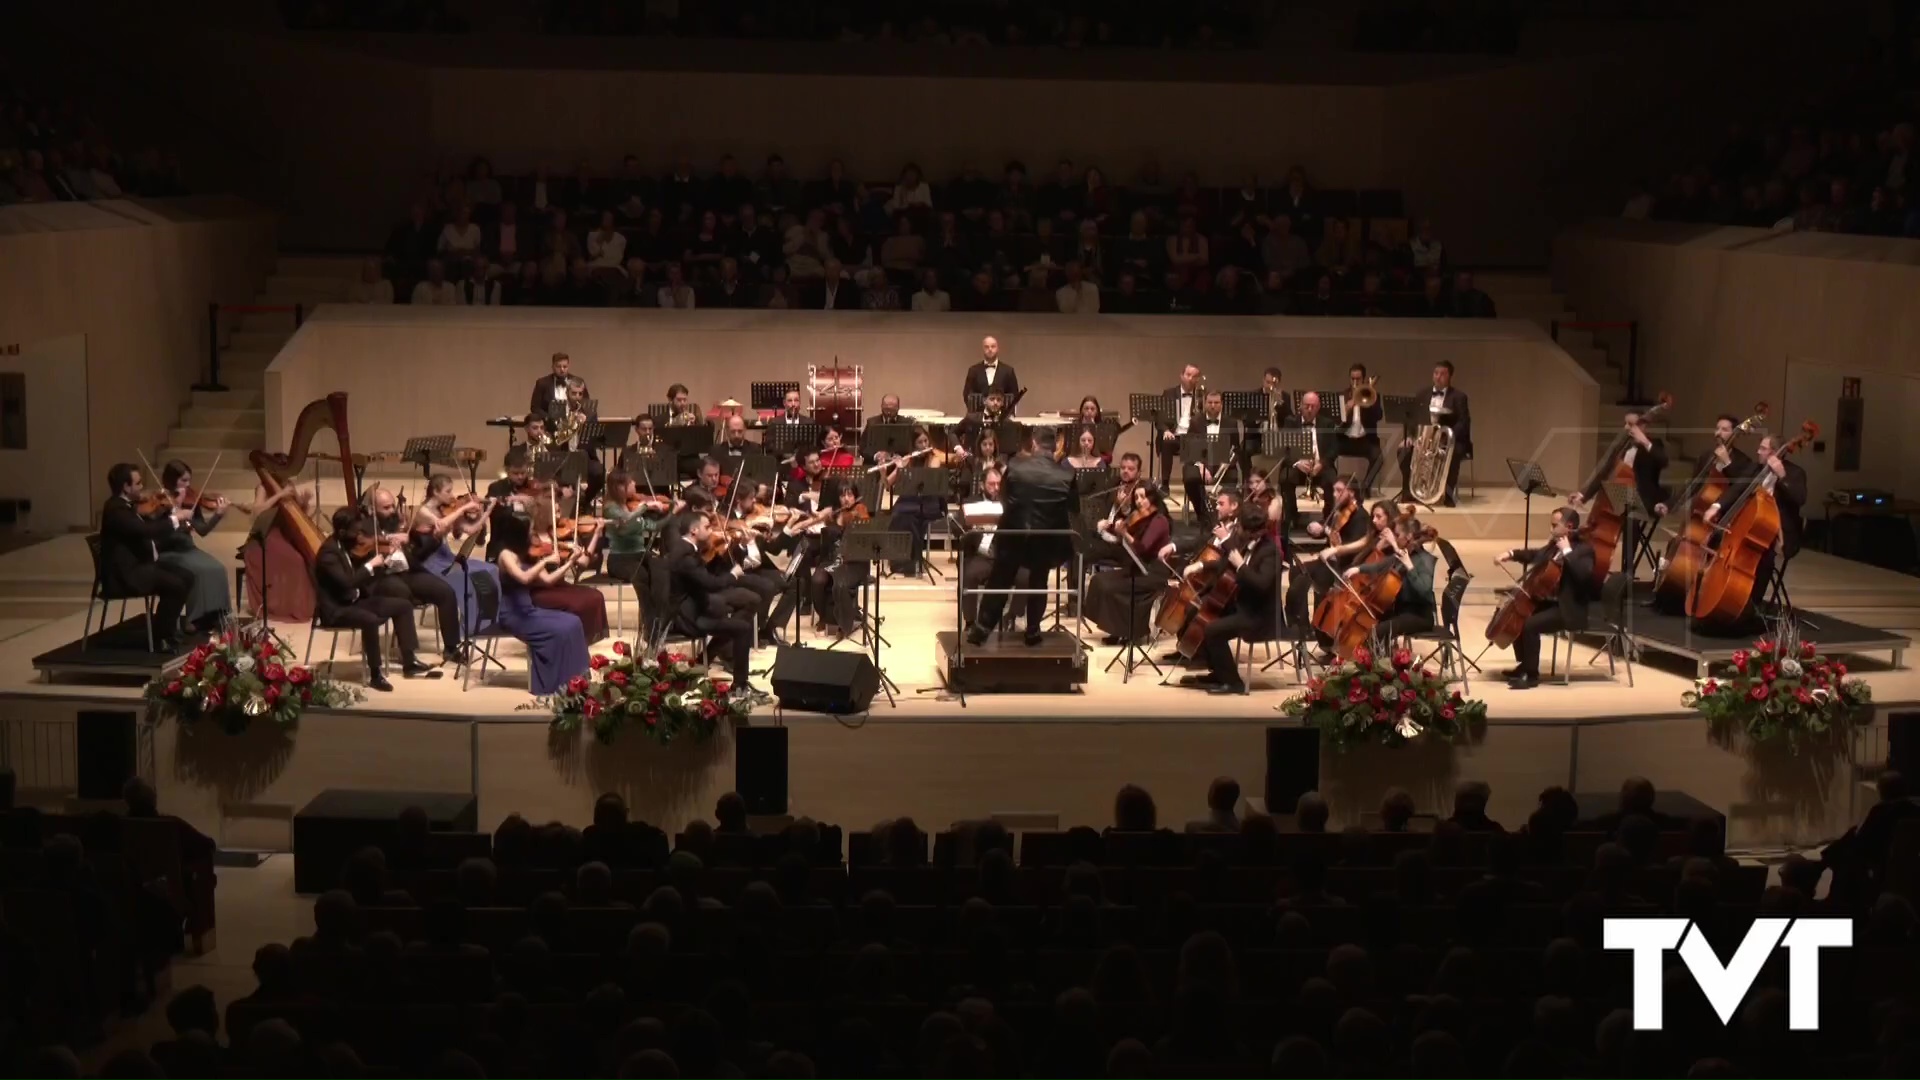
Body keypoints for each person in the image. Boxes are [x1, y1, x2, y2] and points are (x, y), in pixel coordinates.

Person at [966, 427, 1079, 647]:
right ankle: (1033, 631)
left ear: (1034, 445)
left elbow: (1005, 499)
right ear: (1055, 447)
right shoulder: (1067, 474)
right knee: (1039, 581)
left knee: (1000, 580)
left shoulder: (1016, 466)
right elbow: (1072, 509)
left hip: (1013, 537)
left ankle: (980, 631)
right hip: (1047, 541)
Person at [313, 509, 444, 690]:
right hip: (337, 609)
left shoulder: (348, 547)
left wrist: (385, 560)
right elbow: (348, 583)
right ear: (342, 532)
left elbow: (363, 573)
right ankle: (375, 674)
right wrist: (370, 565)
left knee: (404, 605)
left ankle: (409, 661)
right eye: (355, 531)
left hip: (356, 601)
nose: (359, 536)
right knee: (370, 619)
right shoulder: (328, 554)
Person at [668, 513, 773, 703]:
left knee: (742, 612)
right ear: (694, 530)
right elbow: (710, 583)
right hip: (689, 616)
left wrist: (736, 547)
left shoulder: (686, 548)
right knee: (742, 628)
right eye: (707, 527)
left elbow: (706, 574)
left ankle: (738, 681)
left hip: (696, 605)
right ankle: (740, 686)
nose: (711, 531)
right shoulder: (684, 556)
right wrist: (733, 575)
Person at [489, 502, 592, 696]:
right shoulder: (506, 555)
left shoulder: (526, 553)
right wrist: (545, 561)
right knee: (560, 630)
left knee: (574, 622)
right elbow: (524, 578)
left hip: (529, 610)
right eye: (529, 530)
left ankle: (577, 682)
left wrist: (569, 561)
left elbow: (548, 580)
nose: (532, 533)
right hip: (513, 615)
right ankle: (556, 684)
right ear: (517, 533)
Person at [1702, 432, 1807, 618]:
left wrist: (1782, 476)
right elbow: (1737, 488)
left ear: (1775, 453)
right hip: (1749, 525)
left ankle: (1752, 604)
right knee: (1717, 538)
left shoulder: (1795, 473)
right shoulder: (1755, 468)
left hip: (1778, 532)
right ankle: (1716, 591)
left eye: (1763, 449)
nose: (1758, 451)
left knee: (1763, 556)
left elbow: (1800, 498)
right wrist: (1716, 506)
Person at [1184, 502, 1282, 695]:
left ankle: (1233, 682)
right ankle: (1219, 672)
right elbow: (1224, 563)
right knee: (1198, 611)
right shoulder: (1246, 544)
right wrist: (1202, 566)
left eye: (1239, 526)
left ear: (1248, 529)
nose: (1236, 529)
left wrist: (1241, 566)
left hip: (1259, 615)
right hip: (1242, 605)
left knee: (1213, 629)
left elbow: (1261, 585)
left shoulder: (1270, 552)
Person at [1495, 507, 1597, 690]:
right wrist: (1511, 554)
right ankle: (1525, 665)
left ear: (1569, 526)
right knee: (1520, 614)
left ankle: (1532, 675)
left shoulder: (1584, 550)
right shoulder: (1554, 545)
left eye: (1554, 525)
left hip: (1569, 608)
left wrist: (1567, 553)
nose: (1550, 529)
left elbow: (1583, 576)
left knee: (1530, 625)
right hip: (1551, 602)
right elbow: (1536, 555)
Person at [98, 463, 196, 651]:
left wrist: (168, 513)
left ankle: (165, 629)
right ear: (126, 487)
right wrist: (177, 518)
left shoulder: (128, 507)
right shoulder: (115, 510)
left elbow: (150, 526)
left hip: (141, 566)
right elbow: (144, 531)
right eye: (138, 483)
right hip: (125, 575)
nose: (142, 487)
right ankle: (161, 637)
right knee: (175, 585)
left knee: (187, 576)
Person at [1285, 481, 1382, 658]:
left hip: (1345, 565)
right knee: (1296, 571)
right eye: (1334, 490)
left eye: (1339, 490)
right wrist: (1317, 529)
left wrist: (1333, 542)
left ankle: (1322, 628)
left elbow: (1357, 546)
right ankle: (1302, 625)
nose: (1335, 494)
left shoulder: (1360, 516)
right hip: (1330, 561)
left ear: (1351, 492)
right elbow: (1328, 529)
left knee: (1318, 579)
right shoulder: (1339, 511)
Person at [1568, 408, 1670, 575]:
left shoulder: (1654, 445)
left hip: (1643, 499)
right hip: (1619, 496)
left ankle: (1628, 571)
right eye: (1626, 424)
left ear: (1643, 426)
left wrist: (1644, 441)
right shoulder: (1622, 446)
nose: (1627, 428)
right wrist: (1584, 495)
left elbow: (1663, 461)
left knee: (1632, 517)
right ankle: (1590, 564)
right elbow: (1604, 472)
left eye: (1631, 424)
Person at [412, 475, 501, 642]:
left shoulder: (447, 509)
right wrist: (463, 508)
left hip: (447, 556)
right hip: (430, 561)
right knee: (466, 578)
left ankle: (488, 621)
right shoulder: (423, 511)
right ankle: (467, 626)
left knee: (492, 569)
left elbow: (471, 529)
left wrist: (487, 512)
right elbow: (441, 524)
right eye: (448, 491)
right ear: (436, 492)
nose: (452, 495)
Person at [1084, 484, 1172, 645]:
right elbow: (1124, 535)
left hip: (1152, 573)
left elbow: (1143, 548)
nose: (1139, 501)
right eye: (1136, 497)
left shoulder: (1160, 521)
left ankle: (1129, 631)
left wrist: (1124, 533)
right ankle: (1116, 629)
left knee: (1111, 587)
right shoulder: (1140, 518)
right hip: (1138, 568)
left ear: (1152, 498)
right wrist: (1110, 528)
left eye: (1143, 497)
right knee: (1099, 581)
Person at [155, 460, 236, 632]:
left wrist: (218, 514)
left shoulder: (191, 501)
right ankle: (193, 618)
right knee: (198, 571)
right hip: (169, 552)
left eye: (189, 480)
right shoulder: (159, 503)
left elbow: (203, 530)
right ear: (171, 480)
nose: (188, 485)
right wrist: (175, 514)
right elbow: (157, 535)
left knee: (218, 568)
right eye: (183, 481)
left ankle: (215, 615)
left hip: (189, 549)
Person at [1344, 515, 1439, 639]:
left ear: (1408, 537)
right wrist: (1358, 569)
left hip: (1419, 616)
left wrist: (1410, 567)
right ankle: (1376, 656)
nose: (1394, 538)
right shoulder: (1402, 553)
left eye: (1397, 535)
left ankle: (1377, 657)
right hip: (1400, 610)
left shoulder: (1425, 559)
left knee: (1380, 631)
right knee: (1367, 622)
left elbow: (1425, 590)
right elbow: (1379, 567)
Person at [1396, 360, 1473, 506]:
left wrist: (1444, 437)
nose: (1438, 377)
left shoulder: (1459, 397)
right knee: (1404, 451)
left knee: (1453, 453)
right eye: (1436, 373)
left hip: (1446, 441)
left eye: (1442, 374)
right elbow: (1412, 418)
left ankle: (1448, 496)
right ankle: (1408, 492)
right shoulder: (1422, 394)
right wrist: (1411, 437)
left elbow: (1464, 423)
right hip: (1423, 438)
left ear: (1450, 377)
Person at [523, 515, 610, 644]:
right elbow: (547, 580)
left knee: (596, 596)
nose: (559, 515)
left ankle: (582, 643)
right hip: (541, 592)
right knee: (576, 604)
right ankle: (571, 642)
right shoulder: (528, 544)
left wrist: (596, 534)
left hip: (560, 586)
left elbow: (584, 561)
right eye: (556, 511)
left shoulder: (554, 536)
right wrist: (569, 563)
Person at [242, 481, 320, 624]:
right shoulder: (263, 486)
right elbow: (257, 512)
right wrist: (280, 494)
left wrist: (305, 501)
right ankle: (285, 606)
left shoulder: (288, 484)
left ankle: (298, 604)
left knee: (306, 558)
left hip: (285, 536)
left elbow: (299, 514)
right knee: (297, 561)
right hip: (266, 538)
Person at [1181, 391, 1245, 529]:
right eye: (1210, 403)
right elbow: (1189, 447)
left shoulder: (1231, 422)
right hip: (1202, 463)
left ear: (1221, 404)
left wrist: (1227, 462)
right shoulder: (1196, 421)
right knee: (1190, 477)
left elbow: (1236, 448)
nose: (1213, 406)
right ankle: (1202, 514)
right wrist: (1201, 466)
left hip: (1223, 463)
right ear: (1204, 404)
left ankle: (1225, 518)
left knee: (1232, 478)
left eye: (1216, 403)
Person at [1279, 391, 1340, 532]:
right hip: (1298, 466)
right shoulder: (1290, 422)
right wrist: (1297, 462)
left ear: (1318, 407)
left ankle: (1328, 519)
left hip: (1320, 466)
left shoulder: (1327, 423)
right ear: (1300, 406)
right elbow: (1284, 448)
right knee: (1286, 478)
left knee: (1332, 479)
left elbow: (1334, 449)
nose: (1310, 409)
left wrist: (1321, 464)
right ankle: (1292, 517)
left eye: (1313, 406)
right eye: (1307, 406)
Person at [1335, 364, 1386, 499]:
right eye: (1352, 379)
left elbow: (1378, 416)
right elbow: (1338, 421)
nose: (1355, 382)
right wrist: (1348, 407)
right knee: (1327, 453)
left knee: (1378, 457)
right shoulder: (1343, 395)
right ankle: (1335, 488)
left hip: (1365, 440)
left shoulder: (1373, 395)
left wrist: (1367, 403)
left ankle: (1365, 487)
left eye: (1358, 379)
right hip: (1345, 440)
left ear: (1364, 379)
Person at [1156, 364, 1204, 489]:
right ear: (1181, 376)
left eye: (1194, 376)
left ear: (1197, 379)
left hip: (1192, 437)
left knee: (1200, 444)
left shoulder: (1201, 396)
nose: (1190, 379)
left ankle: (1193, 484)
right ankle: (1165, 484)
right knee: (1166, 442)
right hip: (1174, 435)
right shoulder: (1169, 393)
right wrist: (1166, 430)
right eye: (1188, 375)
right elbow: (1159, 417)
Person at [961, 335, 1020, 414]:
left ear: (998, 349)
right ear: (983, 349)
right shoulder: (973, 370)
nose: (990, 349)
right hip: (978, 418)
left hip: (1003, 418)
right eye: (987, 347)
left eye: (993, 346)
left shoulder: (1008, 371)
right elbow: (967, 395)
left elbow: (1014, 395)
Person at [529, 352, 580, 417]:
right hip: (549, 424)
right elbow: (535, 408)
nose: (562, 369)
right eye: (558, 366)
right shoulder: (542, 383)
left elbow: (585, 405)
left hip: (573, 423)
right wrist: (549, 418)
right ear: (553, 367)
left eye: (565, 366)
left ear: (568, 366)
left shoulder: (577, 382)